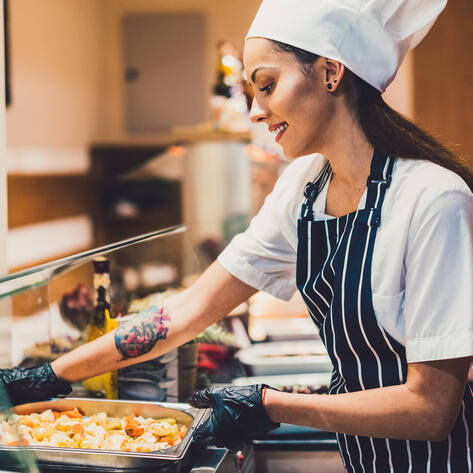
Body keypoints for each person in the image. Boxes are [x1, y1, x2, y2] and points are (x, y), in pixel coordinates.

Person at [2, 0, 473, 470]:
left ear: (331, 72)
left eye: (267, 85)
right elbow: (185, 312)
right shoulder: (305, 189)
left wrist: (269, 404)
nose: (255, 112)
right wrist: (47, 377)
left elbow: (430, 410)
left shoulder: (433, 200)